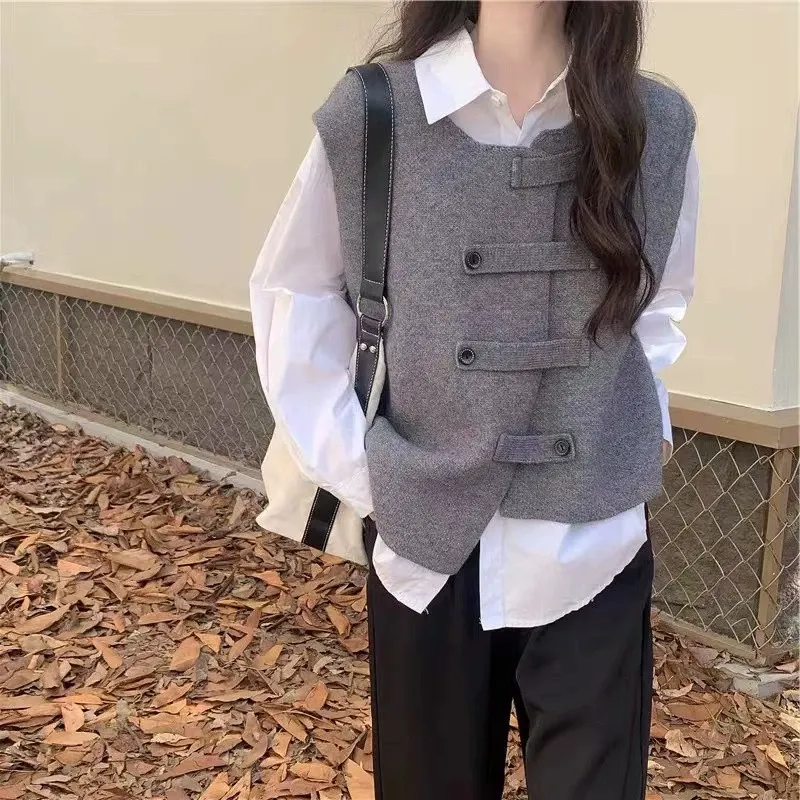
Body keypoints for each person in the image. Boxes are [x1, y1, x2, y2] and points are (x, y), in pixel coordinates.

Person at [249, 2, 699, 798]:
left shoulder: (654, 125)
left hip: (593, 545)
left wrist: (646, 426)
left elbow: (660, 307)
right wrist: (370, 473)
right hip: (425, 551)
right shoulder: (375, 115)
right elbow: (296, 295)